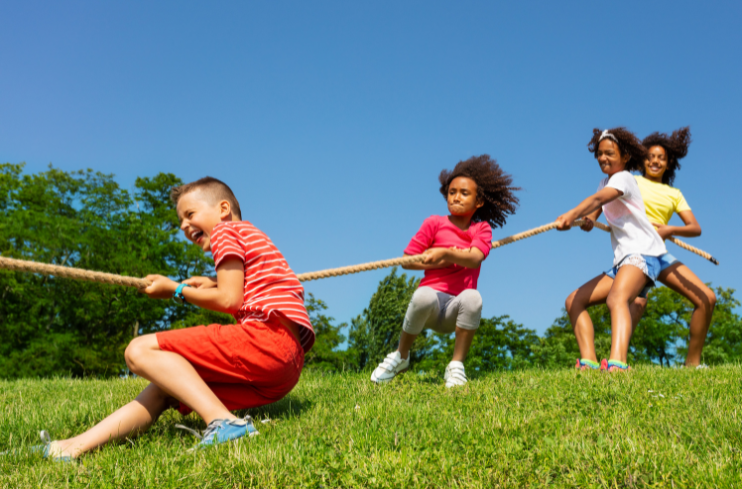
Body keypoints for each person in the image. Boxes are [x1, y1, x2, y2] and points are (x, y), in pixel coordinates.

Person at [34, 177, 315, 461]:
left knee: (139, 350)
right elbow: (254, 284)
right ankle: (70, 447)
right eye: (181, 220)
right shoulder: (252, 235)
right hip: (284, 368)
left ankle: (225, 423)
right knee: (166, 388)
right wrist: (211, 281)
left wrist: (175, 290)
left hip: (266, 342)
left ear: (223, 209)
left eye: (190, 214)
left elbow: (231, 300)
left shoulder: (225, 233)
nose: (183, 225)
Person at [370, 155, 519, 387]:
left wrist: (446, 253)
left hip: (455, 310)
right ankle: (401, 356)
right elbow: (407, 261)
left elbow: (475, 258)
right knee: (423, 294)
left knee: (473, 297)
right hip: (429, 306)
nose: (456, 197)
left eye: (464, 193)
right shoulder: (434, 223)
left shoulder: (481, 229)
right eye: (451, 192)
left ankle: (456, 365)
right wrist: (437, 261)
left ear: (479, 201)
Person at [557, 128, 683, 372]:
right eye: (600, 154)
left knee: (617, 299)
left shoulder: (624, 178)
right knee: (574, 301)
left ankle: (618, 364)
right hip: (623, 260)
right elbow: (595, 209)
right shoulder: (605, 182)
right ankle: (589, 363)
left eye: (610, 153)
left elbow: (598, 199)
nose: (603, 158)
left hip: (644, 253)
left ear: (625, 156)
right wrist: (587, 220)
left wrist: (571, 213)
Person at [620, 127, 715, 366]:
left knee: (707, 298)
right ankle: (616, 361)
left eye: (661, 157)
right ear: (642, 160)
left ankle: (692, 365)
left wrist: (669, 229)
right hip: (636, 253)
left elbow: (695, 227)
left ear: (669, 163)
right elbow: (608, 200)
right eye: (650, 156)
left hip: (660, 254)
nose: (655, 161)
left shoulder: (674, 194)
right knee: (636, 304)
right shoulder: (633, 181)